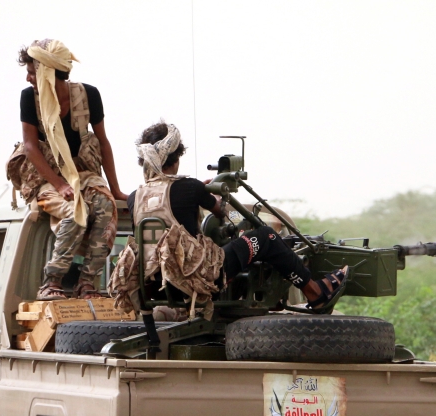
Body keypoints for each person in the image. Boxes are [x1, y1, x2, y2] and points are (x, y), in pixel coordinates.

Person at [119, 122, 347, 313]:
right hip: (200, 278)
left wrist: (197, 190)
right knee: (265, 236)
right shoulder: (190, 188)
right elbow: (226, 215)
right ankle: (315, 292)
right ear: (176, 157)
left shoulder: (135, 198)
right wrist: (212, 196)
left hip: (155, 284)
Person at [10, 38, 127, 300]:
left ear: (47, 72)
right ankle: (51, 282)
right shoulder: (30, 98)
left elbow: (103, 143)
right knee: (77, 211)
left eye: (32, 71)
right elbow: (31, 147)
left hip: (85, 173)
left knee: (106, 210)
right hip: (46, 178)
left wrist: (116, 189)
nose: (29, 78)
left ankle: (87, 283)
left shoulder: (88, 95)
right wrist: (60, 184)